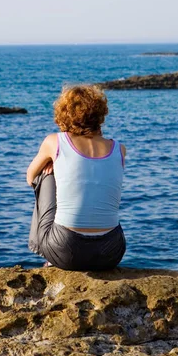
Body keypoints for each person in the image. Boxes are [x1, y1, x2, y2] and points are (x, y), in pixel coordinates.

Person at [26, 84, 126, 271]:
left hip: (66, 251)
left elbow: (30, 177)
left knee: (44, 174)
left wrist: (53, 163)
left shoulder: (55, 141)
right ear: (100, 115)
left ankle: (44, 251)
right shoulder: (119, 149)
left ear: (64, 114)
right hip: (112, 251)